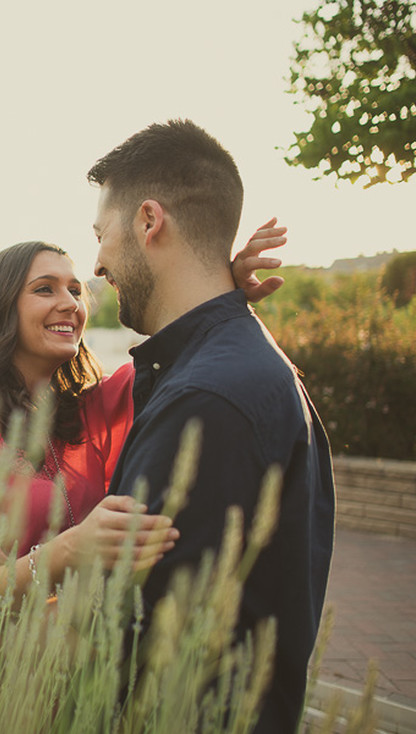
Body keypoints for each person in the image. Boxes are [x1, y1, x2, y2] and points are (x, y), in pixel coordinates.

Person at [87, 119, 335, 733]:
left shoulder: (206, 399)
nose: (97, 262)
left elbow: (139, 639)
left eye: (101, 235)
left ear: (149, 221)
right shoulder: (243, 361)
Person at [0, 223, 288, 605]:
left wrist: (224, 289)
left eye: (75, 290)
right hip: (5, 662)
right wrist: (67, 551)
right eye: (45, 288)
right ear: (0, 306)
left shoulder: (92, 408)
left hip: (90, 658)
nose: (70, 303)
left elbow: (191, 351)